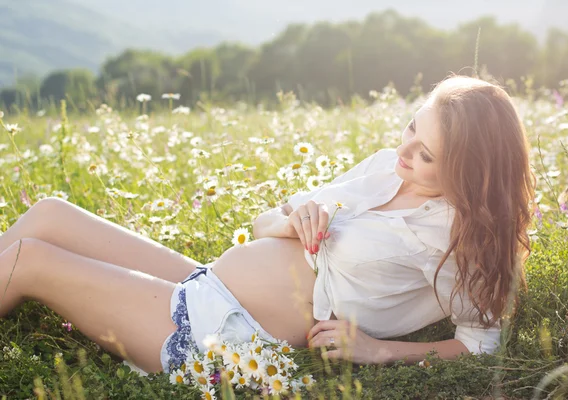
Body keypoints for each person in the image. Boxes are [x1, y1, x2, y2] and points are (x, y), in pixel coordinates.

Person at [0, 74, 536, 376]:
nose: (403, 151)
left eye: (425, 155)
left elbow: (483, 343)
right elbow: (262, 226)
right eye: (410, 128)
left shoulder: (460, 239)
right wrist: (289, 220)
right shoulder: (383, 167)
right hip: (205, 282)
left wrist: (382, 349)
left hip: (225, 335)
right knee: (48, 212)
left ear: (468, 174)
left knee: (30, 259)